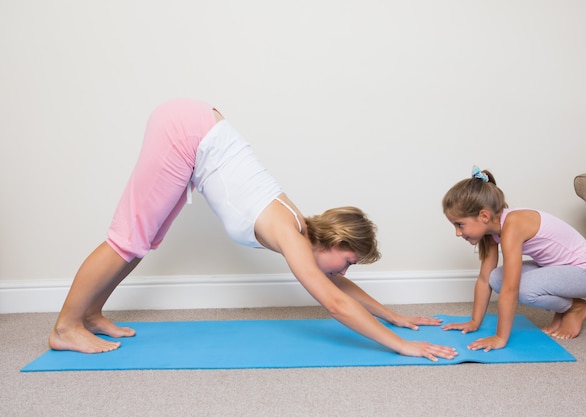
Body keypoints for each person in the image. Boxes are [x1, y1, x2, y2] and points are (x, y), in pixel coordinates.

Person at [49, 98, 458, 362]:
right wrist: (402, 346)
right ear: (335, 242)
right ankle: (65, 327)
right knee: (127, 239)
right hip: (187, 132)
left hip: (194, 130)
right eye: (349, 261)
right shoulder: (290, 233)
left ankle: (91, 313)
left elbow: (332, 284)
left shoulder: (301, 228)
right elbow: (333, 302)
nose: (345, 271)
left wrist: (392, 316)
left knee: (142, 241)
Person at [440, 166, 586, 352]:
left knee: (522, 289)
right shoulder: (492, 230)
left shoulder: (512, 226)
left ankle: (575, 307)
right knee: (496, 278)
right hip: (561, 270)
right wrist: (474, 322)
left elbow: (511, 288)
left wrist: (500, 337)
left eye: (460, 224)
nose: (457, 232)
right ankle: (566, 307)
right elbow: (485, 279)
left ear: (484, 216)